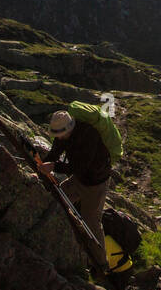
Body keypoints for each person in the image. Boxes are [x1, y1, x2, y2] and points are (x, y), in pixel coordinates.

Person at [38, 109, 112, 271]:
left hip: (95, 183)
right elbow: (54, 153)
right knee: (58, 198)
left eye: (61, 134)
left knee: (91, 221)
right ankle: (73, 236)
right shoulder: (63, 134)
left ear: (69, 128)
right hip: (81, 179)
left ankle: (101, 264)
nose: (59, 138)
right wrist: (42, 167)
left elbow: (81, 166)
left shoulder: (88, 135)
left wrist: (54, 166)